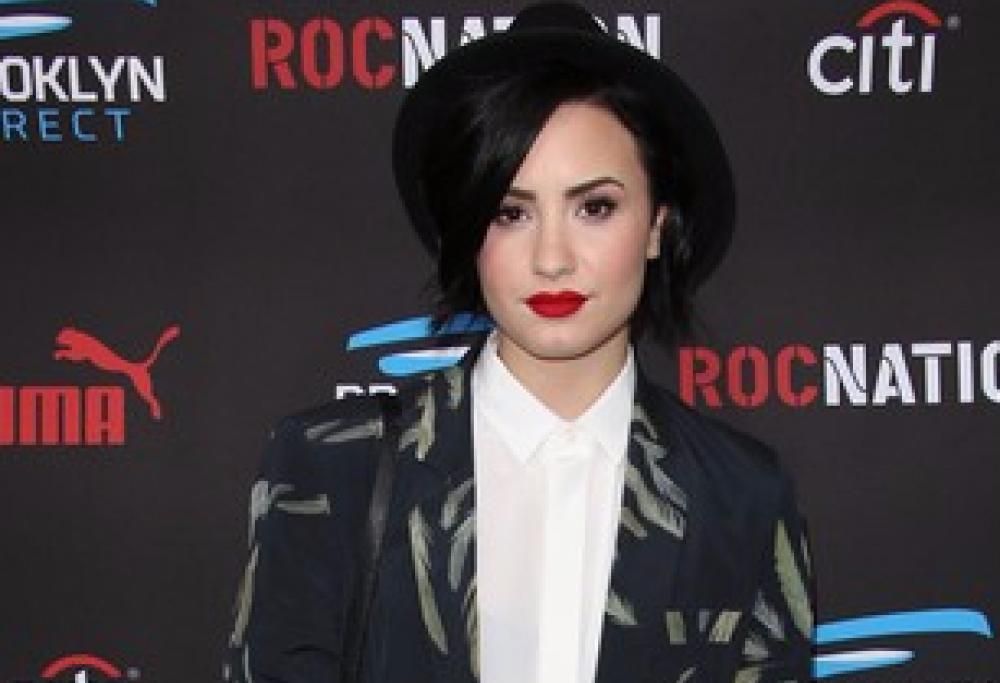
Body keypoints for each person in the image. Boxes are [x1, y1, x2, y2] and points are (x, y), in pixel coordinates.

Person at [224, 2, 815, 682]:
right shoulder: (331, 469)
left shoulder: (741, 495)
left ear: (657, 225)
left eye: (595, 207)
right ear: (469, 232)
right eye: (510, 212)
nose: (552, 258)